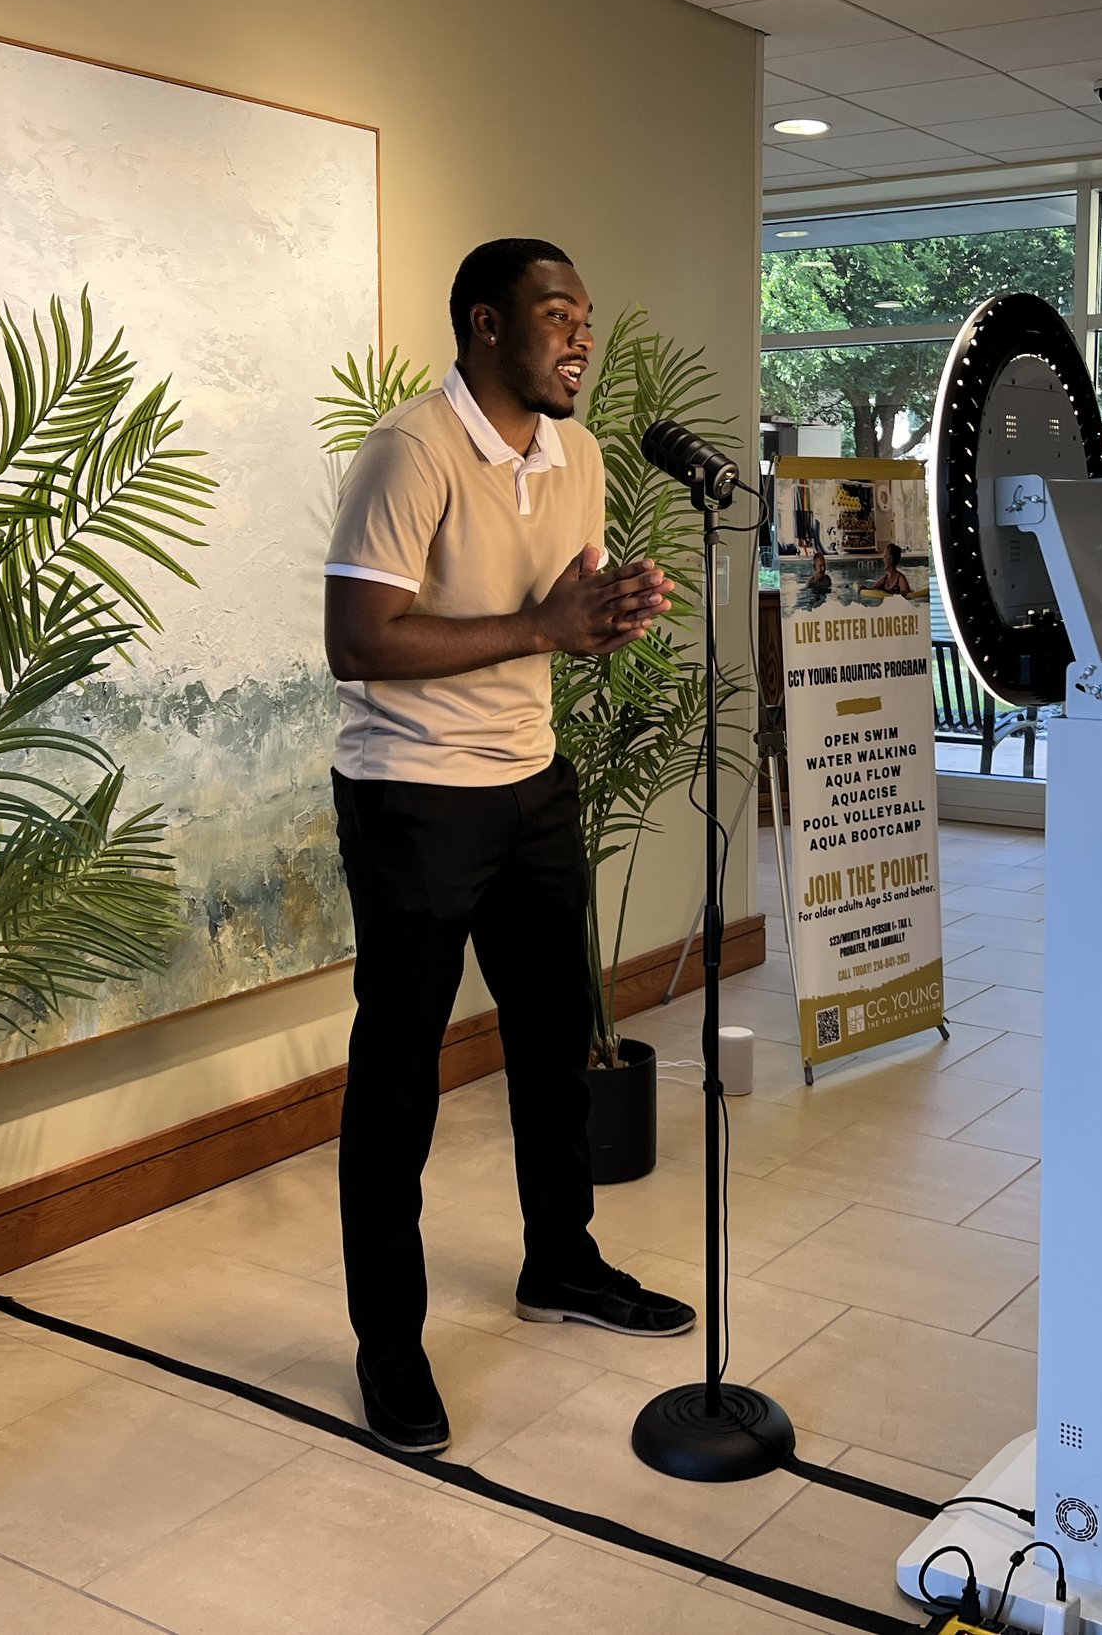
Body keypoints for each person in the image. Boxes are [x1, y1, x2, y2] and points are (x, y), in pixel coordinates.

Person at [323, 237, 697, 1456]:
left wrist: (603, 615)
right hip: (414, 796)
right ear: (486, 326)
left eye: (587, 315)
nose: (580, 336)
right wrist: (542, 620)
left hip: (532, 777)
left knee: (551, 1047)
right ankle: (389, 1346)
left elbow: (553, 617)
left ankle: (562, 1263)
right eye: (555, 315)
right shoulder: (410, 451)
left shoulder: (576, 452)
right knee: (399, 1077)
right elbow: (359, 639)